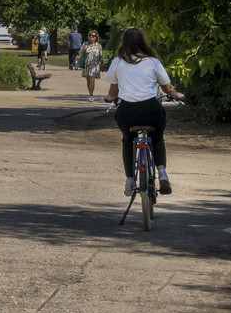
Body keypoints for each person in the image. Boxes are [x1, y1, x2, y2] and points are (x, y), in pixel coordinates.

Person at [104, 27, 186, 196]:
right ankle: (162, 173)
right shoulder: (153, 62)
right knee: (157, 139)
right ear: (143, 42)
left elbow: (113, 93)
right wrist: (176, 95)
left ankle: (129, 180)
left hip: (128, 113)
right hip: (151, 111)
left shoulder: (117, 62)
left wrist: (109, 99)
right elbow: (167, 87)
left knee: (127, 140)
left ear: (124, 43)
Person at [79, 30, 105, 99]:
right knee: (88, 79)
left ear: (96, 37)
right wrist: (84, 50)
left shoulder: (98, 46)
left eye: (93, 36)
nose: (91, 37)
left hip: (95, 65)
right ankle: (90, 92)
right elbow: (80, 54)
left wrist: (102, 65)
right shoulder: (85, 44)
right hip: (86, 64)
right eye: (90, 35)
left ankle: (91, 95)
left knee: (92, 79)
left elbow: (101, 56)